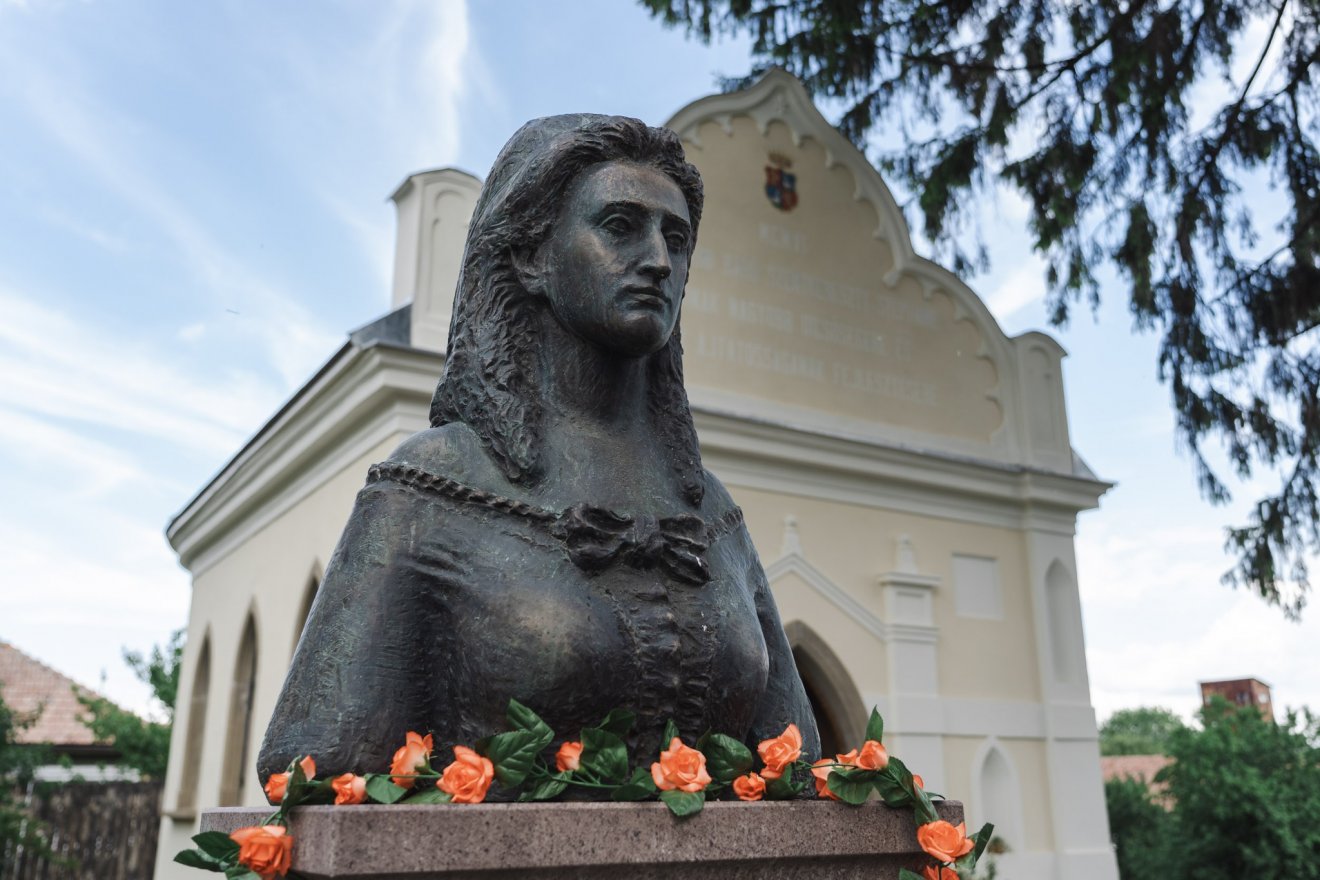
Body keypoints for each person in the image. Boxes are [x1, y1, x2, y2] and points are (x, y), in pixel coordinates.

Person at [258, 114, 820, 791]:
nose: (659, 260)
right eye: (620, 226)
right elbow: (318, 766)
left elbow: (797, 760)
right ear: (531, 256)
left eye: (676, 238)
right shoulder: (430, 488)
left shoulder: (712, 510)